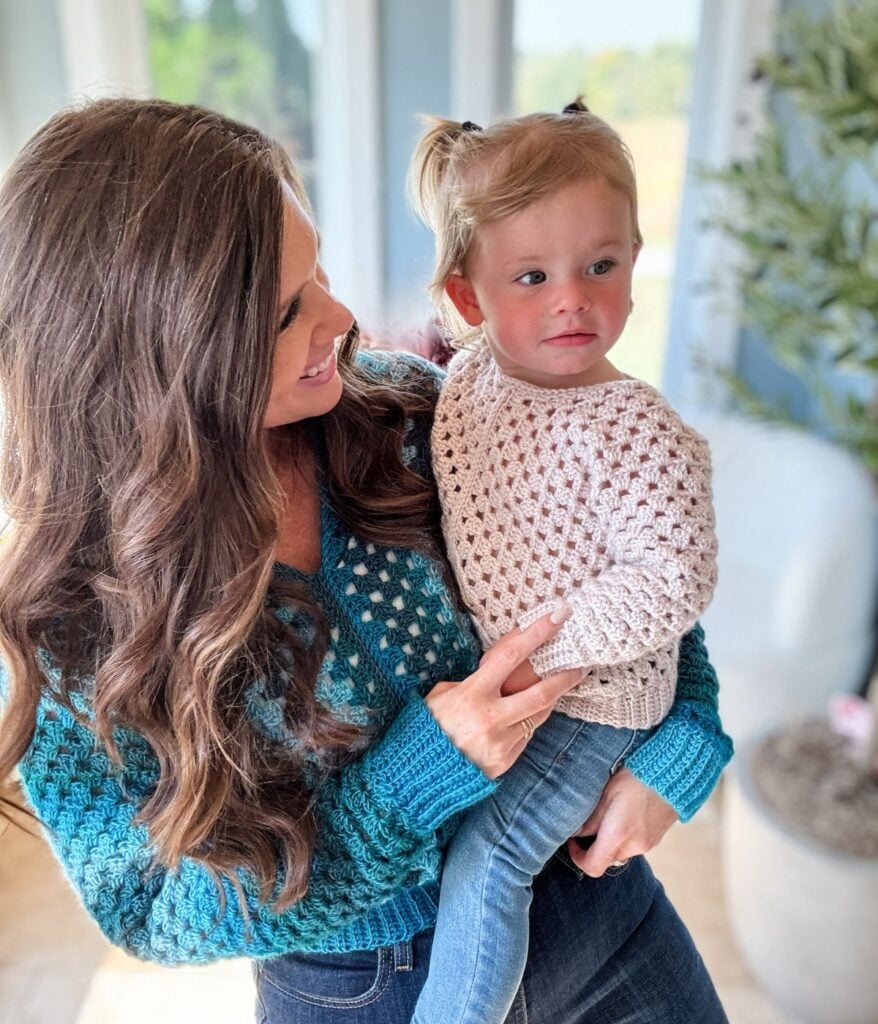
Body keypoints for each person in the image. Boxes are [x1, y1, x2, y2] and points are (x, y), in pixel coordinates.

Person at [0, 98, 732, 1024]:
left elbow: (634, 577)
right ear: (162, 363)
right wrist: (413, 779)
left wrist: (683, 749)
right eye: (285, 314)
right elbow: (148, 909)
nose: (342, 319)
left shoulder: (417, 418)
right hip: (353, 993)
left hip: (591, 913)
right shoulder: (70, 628)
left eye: (322, 275)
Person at [408, 102, 722, 1024]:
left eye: (600, 266)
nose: (571, 300)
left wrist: (550, 652)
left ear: (633, 257)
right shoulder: (466, 376)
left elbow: (674, 577)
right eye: (532, 276)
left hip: (592, 700)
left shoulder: (637, 429)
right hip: (519, 688)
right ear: (469, 300)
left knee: (494, 859)